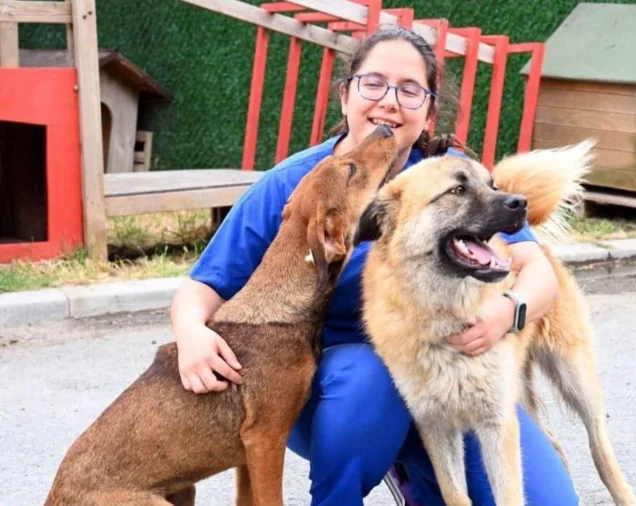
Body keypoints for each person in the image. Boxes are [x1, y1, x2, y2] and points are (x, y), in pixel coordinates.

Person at [169, 27, 579, 506]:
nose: (389, 101)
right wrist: (191, 333)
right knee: (368, 380)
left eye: (409, 90)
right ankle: (349, 487)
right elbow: (201, 288)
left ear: (428, 111)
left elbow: (539, 272)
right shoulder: (298, 185)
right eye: (374, 83)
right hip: (341, 392)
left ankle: (419, 478)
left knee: (550, 501)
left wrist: (508, 312)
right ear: (346, 96)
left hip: (449, 376)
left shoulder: (454, 175)